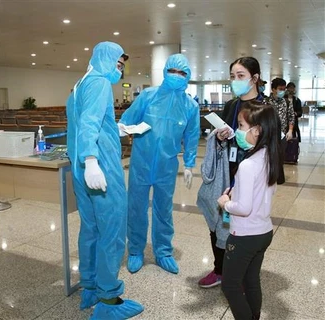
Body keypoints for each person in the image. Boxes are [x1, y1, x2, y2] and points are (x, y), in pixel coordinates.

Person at [66, 41, 143, 319]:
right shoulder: (99, 83)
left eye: (122, 66)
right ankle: (108, 301)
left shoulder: (80, 84)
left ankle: (89, 288)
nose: (119, 71)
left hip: (81, 170)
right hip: (100, 168)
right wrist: (91, 160)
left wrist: (114, 128)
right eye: (117, 64)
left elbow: (88, 122)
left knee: (90, 230)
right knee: (111, 232)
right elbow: (88, 123)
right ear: (103, 59)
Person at [119, 54, 200, 275]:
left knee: (164, 209)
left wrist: (190, 165)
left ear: (188, 77)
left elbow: (192, 137)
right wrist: (125, 130)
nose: (176, 76)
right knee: (136, 207)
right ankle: (135, 250)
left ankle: (163, 251)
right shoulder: (148, 96)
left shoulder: (190, 106)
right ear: (165, 72)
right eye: (172, 71)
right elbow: (126, 119)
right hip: (141, 163)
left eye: (182, 73)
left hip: (167, 165)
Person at [198, 56, 265, 289]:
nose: (235, 81)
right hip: (228, 169)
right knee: (219, 221)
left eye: (241, 76)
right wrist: (220, 136)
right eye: (233, 76)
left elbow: (270, 144)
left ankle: (243, 273)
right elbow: (222, 133)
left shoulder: (264, 109)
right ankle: (220, 270)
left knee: (243, 222)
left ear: (254, 78)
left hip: (252, 172)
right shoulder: (231, 105)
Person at [218, 101, 281, 320]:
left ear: (257, 130)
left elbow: (243, 208)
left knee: (231, 286)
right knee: (252, 280)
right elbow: (261, 194)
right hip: (264, 232)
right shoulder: (269, 157)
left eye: (242, 126)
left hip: (244, 236)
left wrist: (225, 202)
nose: (238, 131)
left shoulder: (247, 164)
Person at [264, 78, 294, 181]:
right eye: (280, 89)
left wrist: (290, 131)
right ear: (273, 89)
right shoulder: (266, 102)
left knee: (280, 155)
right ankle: (268, 176)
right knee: (268, 155)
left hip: (282, 134)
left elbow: (291, 117)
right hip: (268, 134)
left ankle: (279, 177)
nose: (282, 91)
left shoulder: (287, 102)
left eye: (284, 89)